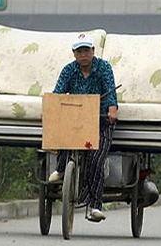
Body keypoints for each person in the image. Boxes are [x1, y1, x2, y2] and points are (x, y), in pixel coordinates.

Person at [48, 33, 118, 222]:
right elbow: (58, 93)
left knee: (96, 159)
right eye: (80, 51)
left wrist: (112, 109)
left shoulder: (104, 68)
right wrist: (53, 106)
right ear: (74, 53)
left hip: (100, 121)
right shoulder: (69, 70)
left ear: (93, 51)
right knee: (62, 133)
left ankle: (95, 205)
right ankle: (61, 167)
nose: (84, 54)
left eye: (87, 50)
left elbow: (111, 93)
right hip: (76, 120)